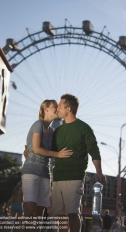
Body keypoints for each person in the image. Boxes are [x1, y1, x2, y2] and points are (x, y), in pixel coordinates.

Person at [50, 94, 106, 232]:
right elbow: (49, 151)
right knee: (60, 216)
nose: (57, 108)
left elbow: (94, 150)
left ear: (68, 109)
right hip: (57, 177)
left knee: (73, 214)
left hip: (74, 177)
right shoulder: (57, 131)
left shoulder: (83, 128)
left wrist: (99, 171)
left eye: (60, 106)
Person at [21, 99, 73, 231]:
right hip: (31, 171)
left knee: (40, 213)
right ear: (45, 109)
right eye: (54, 107)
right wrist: (57, 155)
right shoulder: (38, 124)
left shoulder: (52, 130)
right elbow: (37, 149)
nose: (57, 109)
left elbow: (55, 150)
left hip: (45, 173)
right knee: (29, 209)